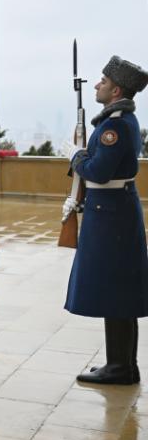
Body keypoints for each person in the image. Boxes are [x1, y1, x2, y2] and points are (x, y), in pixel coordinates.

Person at [64, 56, 148, 385]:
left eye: (102, 81)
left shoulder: (114, 125)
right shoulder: (119, 120)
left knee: (115, 289)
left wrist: (76, 155)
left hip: (111, 213)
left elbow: (98, 170)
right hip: (113, 209)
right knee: (120, 289)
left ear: (116, 90)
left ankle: (120, 367)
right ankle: (123, 364)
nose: (97, 85)